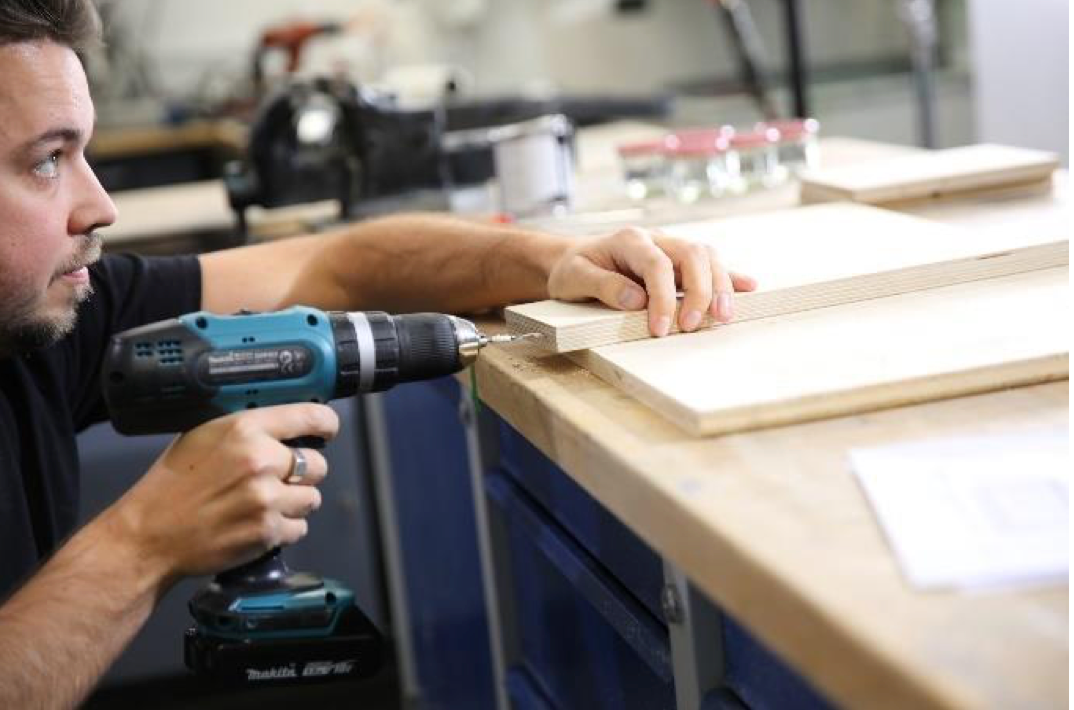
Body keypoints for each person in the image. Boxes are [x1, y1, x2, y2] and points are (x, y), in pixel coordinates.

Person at [0, 0, 755, 706]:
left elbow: (337, 265)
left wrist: (549, 262)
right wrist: (146, 540)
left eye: (83, 153)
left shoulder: (42, 315)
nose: (100, 206)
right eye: (46, 161)